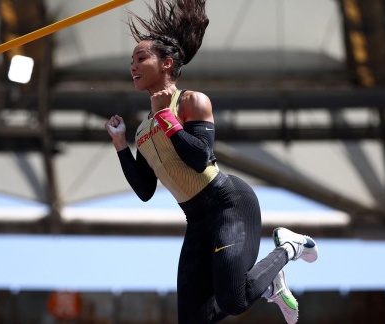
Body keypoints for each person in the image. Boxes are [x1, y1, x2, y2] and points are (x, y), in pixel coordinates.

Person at [104, 0, 318, 323]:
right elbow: (146, 190)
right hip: (197, 222)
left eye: (140, 58)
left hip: (229, 206)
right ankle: (267, 284)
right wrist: (121, 145)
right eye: (130, 61)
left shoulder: (191, 101)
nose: (132, 66)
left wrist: (168, 118)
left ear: (166, 63)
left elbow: (200, 158)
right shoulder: (143, 130)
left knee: (233, 300)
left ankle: (289, 248)